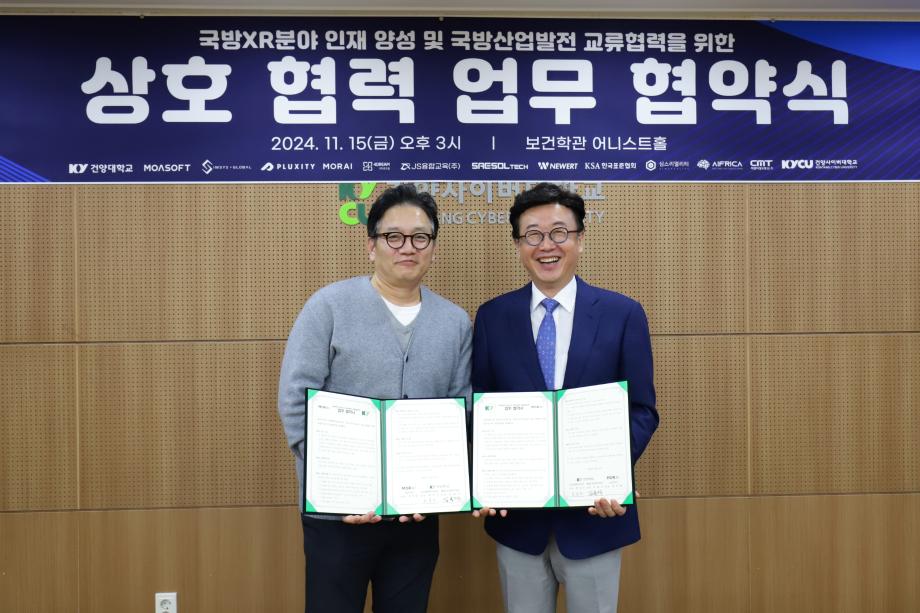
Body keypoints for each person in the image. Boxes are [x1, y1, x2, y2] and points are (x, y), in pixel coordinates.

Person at [278, 183, 472, 613]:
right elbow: (295, 401)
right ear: (372, 245)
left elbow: (460, 410)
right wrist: (338, 488)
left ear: (433, 247)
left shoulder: (454, 322)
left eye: (420, 237)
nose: (408, 247)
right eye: (393, 237)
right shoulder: (329, 307)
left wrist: (433, 486)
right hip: (338, 515)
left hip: (415, 516)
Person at [471, 182, 658, 613]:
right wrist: (489, 476)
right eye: (532, 235)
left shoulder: (622, 314)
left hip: (595, 516)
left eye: (559, 232)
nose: (546, 245)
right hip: (519, 520)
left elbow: (642, 411)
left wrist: (608, 474)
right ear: (518, 245)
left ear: (580, 239)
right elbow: (482, 407)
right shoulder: (493, 317)